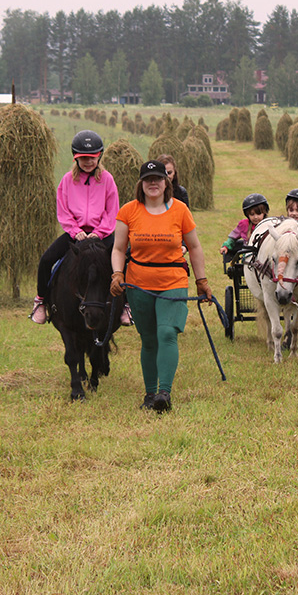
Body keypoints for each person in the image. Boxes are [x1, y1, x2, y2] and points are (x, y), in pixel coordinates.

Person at [110, 160, 211, 413]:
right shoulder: (128, 211)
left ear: (166, 182)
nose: (153, 183)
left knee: (167, 332)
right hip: (138, 284)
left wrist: (201, 280)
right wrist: (117, 273)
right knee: (148, 338)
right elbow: (119, 248)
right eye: (148, 179)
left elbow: (195, 247)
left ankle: (164, 394)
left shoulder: (180, 210)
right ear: (141, 184)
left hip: (172, 281)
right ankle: (149, 393)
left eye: (158, 178)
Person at [32, 130, 127, 325]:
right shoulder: (67, 180)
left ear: (99, 156)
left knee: (126, 260)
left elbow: (112, 210)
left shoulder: (107, 180)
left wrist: (98, 233)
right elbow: (63, 210)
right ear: (76, 158)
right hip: (76, 234)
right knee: (46, 259)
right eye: (83, 158)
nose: (88, 162)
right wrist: (76, 232)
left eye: (92, 158)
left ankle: (127, 304)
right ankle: (41, 301)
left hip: (102, 233)